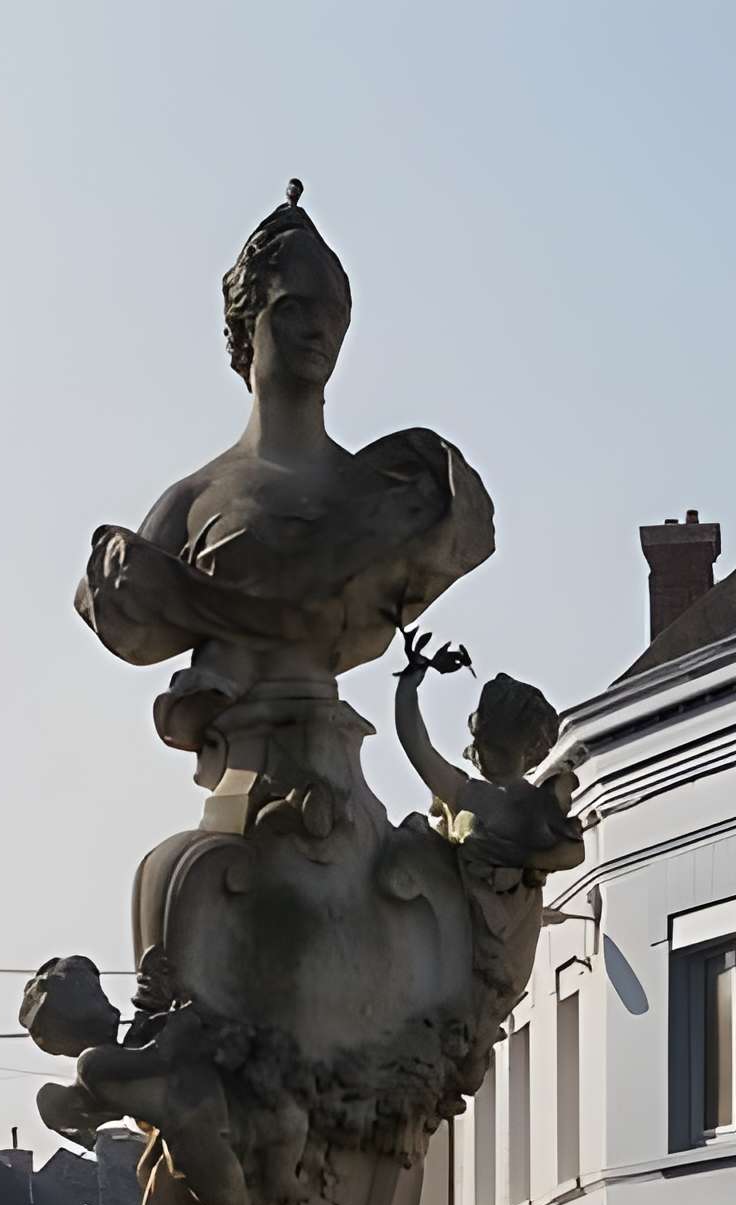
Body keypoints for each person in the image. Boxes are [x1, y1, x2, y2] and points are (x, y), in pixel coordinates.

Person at [76, 184, 493, 752]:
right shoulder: (190, 505)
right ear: (247, 327)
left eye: (334, 313)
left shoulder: (409, 492)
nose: (320, 331)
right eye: (295, 309)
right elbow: (127, 610)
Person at [393, 629, 585, 877]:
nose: (485, 754)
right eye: (483, 744)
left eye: (498, 747)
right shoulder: (476, 795)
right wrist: (408, 688)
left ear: (530, 748)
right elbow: (418, 747)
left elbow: (574, 852)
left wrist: (517, 858)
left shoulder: (539, 803)